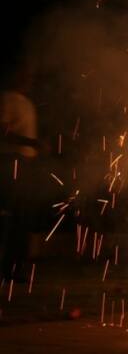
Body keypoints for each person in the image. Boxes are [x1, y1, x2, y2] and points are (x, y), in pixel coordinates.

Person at [0, 69, 38, 281]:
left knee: (21, 216)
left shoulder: (26, 102)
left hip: (25, 163)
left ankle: (15, 267)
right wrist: (32, 143)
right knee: (11, 216)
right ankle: (8, 268)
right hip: (11, 162)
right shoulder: (7, 99)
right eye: (24, 75)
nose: (28, 80)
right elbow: (3, 131)